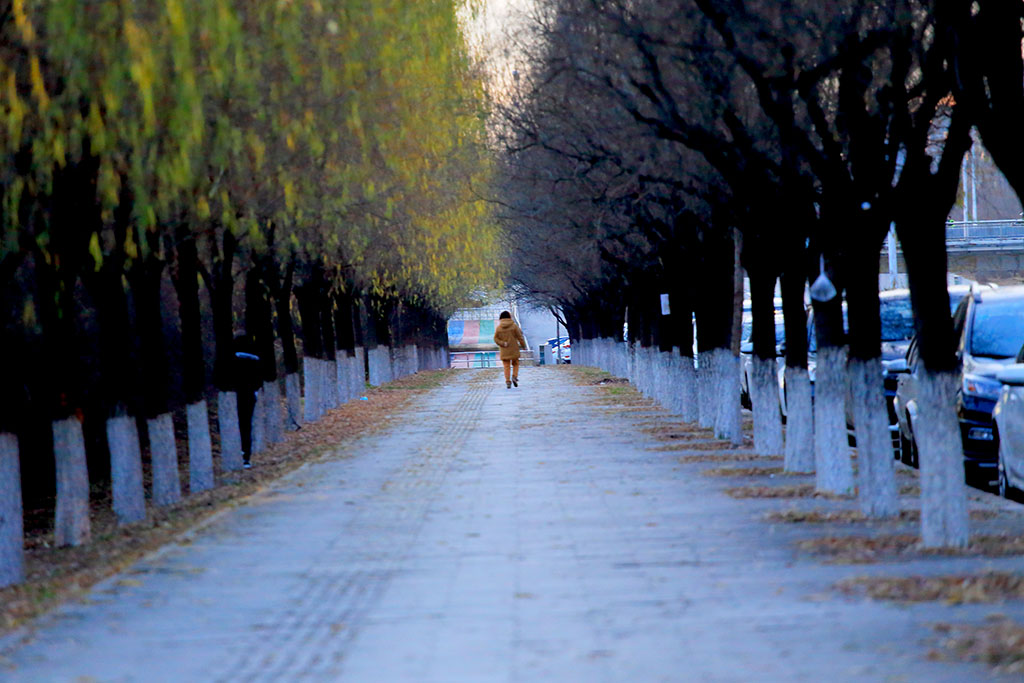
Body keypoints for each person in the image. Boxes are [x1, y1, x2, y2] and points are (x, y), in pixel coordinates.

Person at [232, 335, 262, 468]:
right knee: (246, 425)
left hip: (234, 395)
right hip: (249, 395)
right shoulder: (255, 359)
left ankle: (236, 452)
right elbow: (258, 380)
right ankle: (246, 457)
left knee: (236, 424)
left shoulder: (232, 358)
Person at [493, 310, 527, 389]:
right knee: (515, 364)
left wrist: (502, 343)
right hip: (514, 349)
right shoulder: (514, 326)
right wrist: (523, 346)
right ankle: (514, 376)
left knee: (506, 366)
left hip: (504, 350)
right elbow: (520, 337)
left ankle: (508, 381)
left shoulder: (499, 328)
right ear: (509, 317)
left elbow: (495, 339)